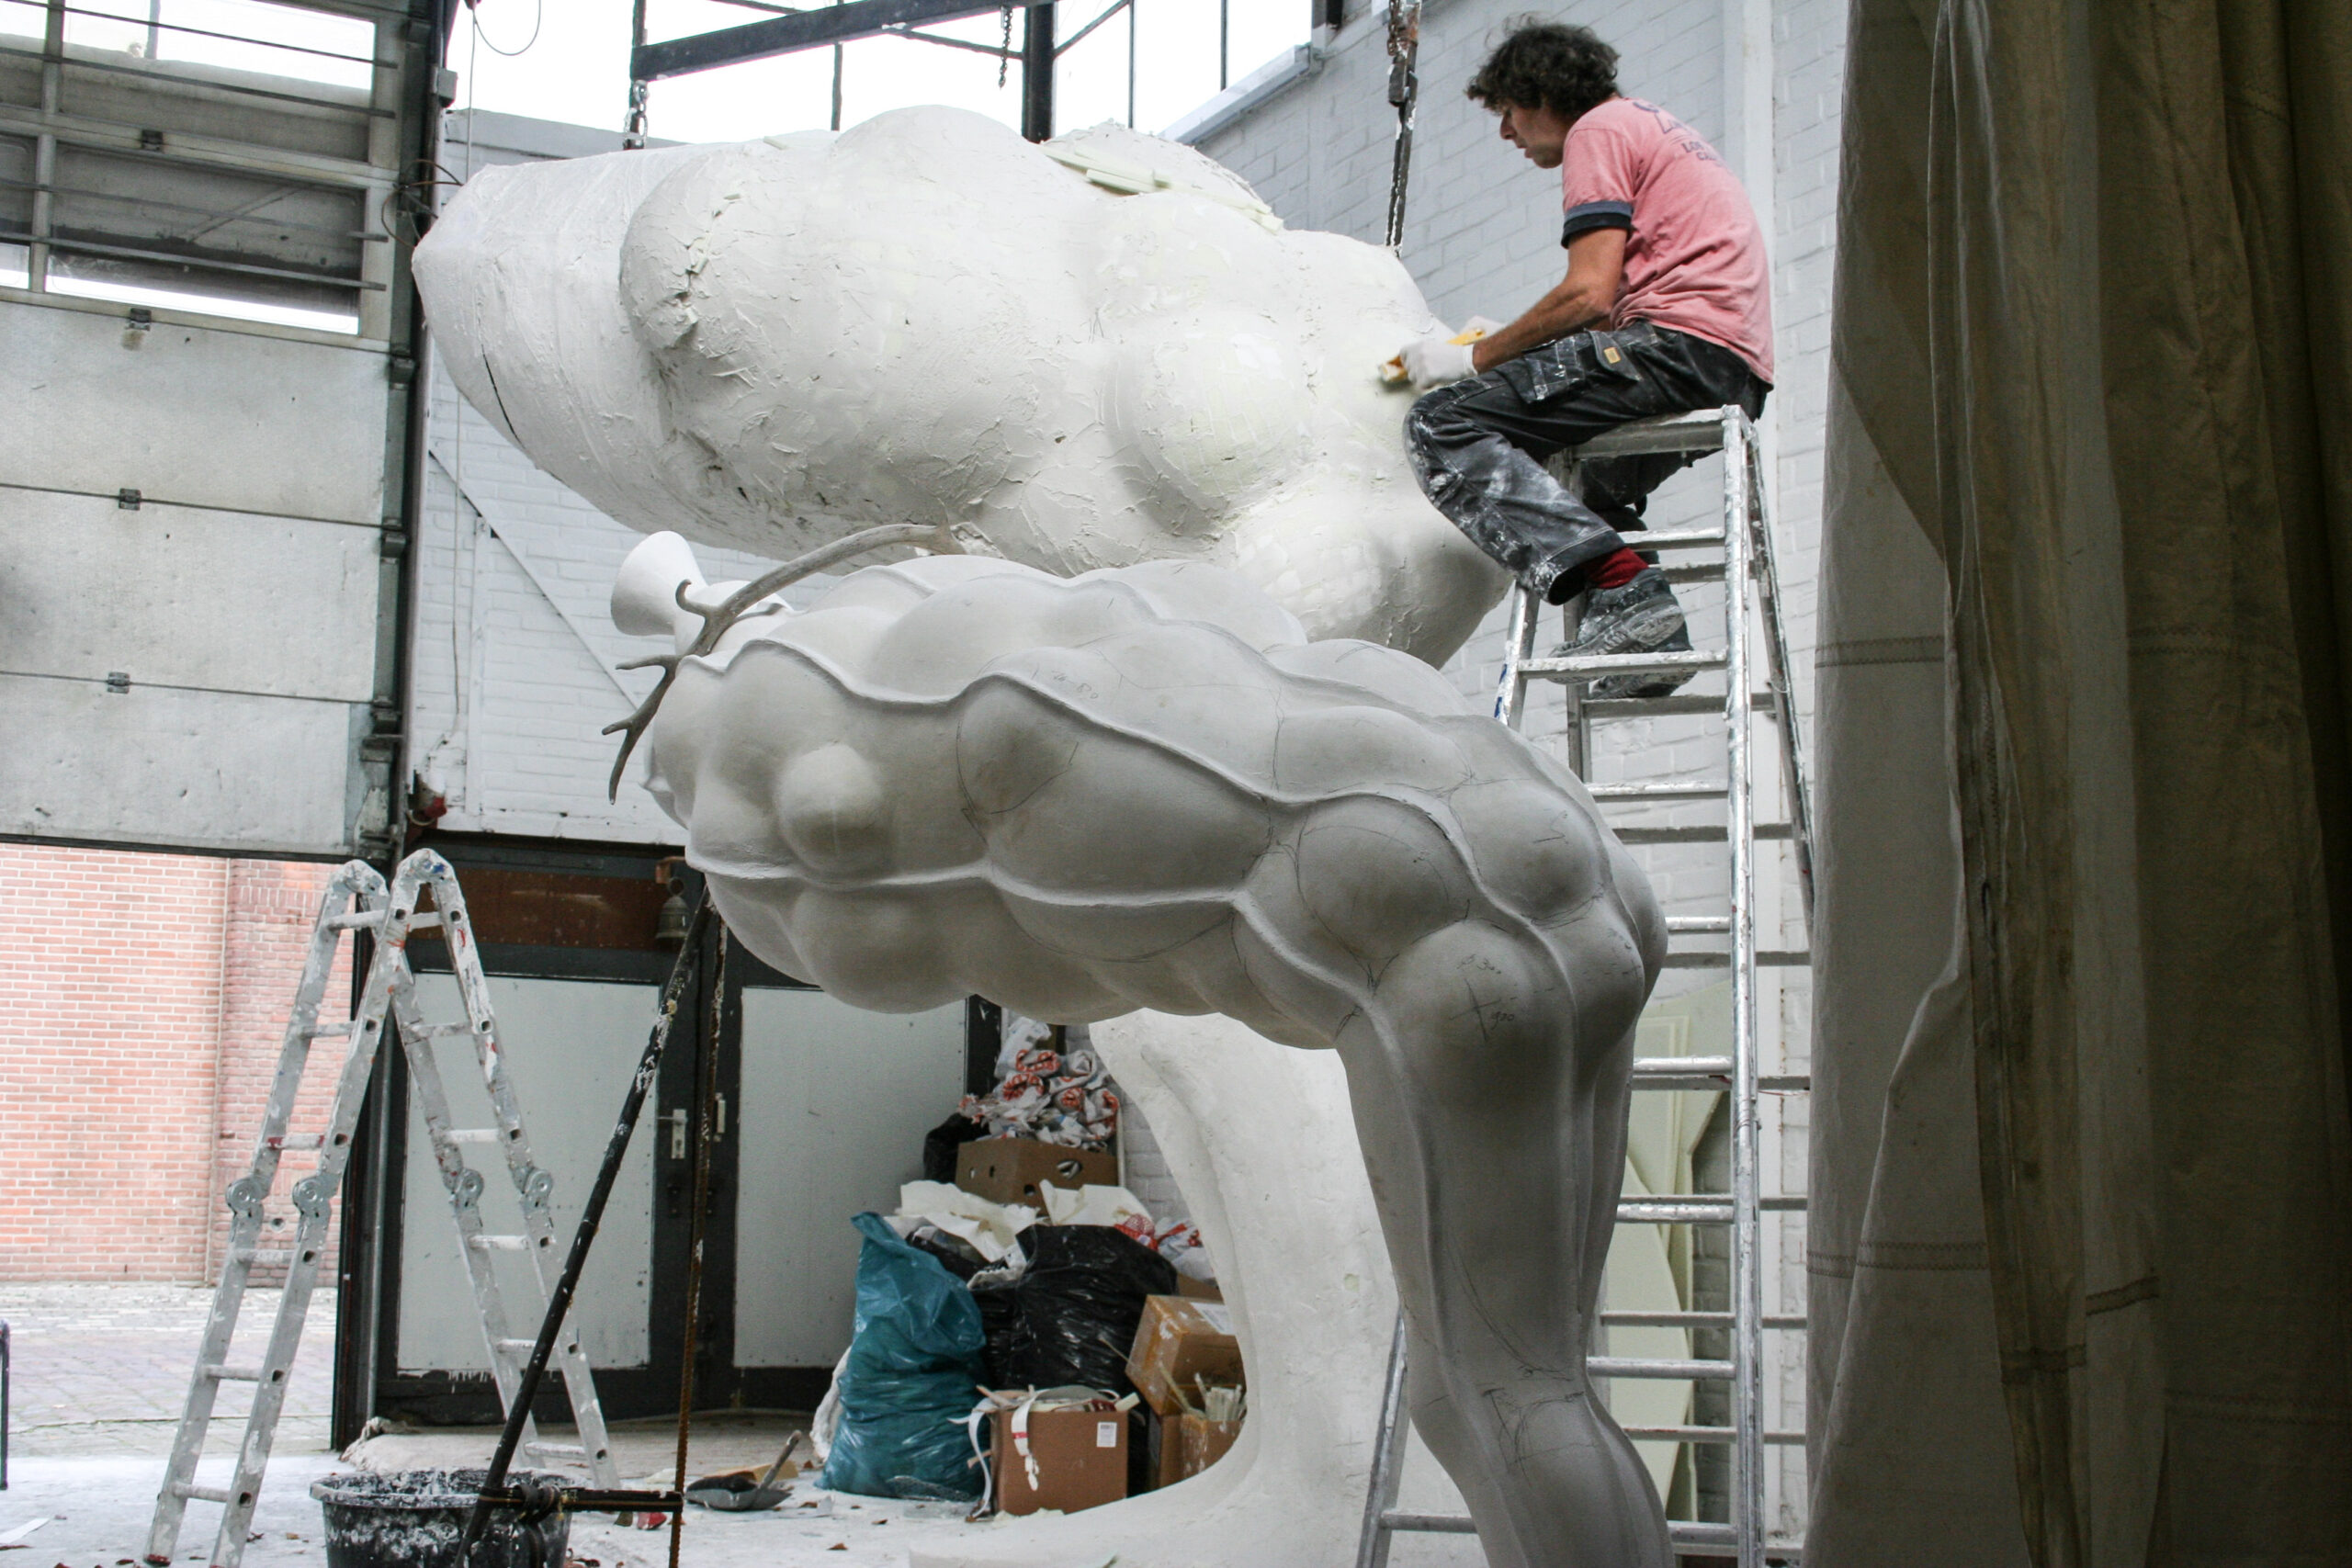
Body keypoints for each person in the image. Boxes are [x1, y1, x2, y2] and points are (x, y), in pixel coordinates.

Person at [1396, 20, 1773, 696]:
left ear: (1542, 94)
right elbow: (1604, 309)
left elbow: (1587, 294)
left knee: (1439, 423)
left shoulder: (1597, 131)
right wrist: (1517, 341)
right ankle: (1651, 634)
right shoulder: (1647, 126)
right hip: (1728, 365)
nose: (1505, 132)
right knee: (1575, 488)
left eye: (1508, 111)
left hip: (1676, 348)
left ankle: (1626, 587)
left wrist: (1474, 359)